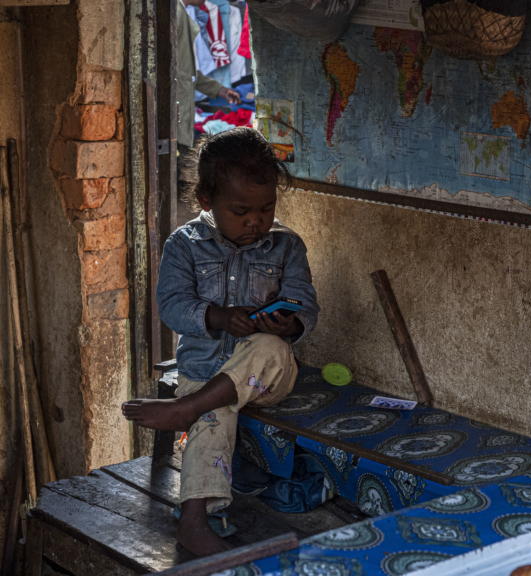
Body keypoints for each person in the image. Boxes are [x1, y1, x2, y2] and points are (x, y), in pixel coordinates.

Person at [122, 127, 320, 556]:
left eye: (266, 209)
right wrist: (218, 317)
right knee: (213, 414)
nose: (255, 221)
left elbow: (306, 304)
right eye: (241, 211)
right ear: (206, 200)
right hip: (205, 370)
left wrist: (288, 324)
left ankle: (187, 407)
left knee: (271, 349)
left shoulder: (286, 246)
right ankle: (194, 521)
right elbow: (172, 306)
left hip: (267, 378)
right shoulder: (184, 245)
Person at [177, 0, 242, 156]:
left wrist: (219, 89)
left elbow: (187, 71)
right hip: (176, 111)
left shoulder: (181, 11)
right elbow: (176, 71)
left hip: (181, 110)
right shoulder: (175, 12)